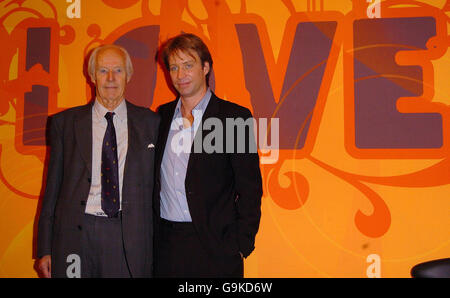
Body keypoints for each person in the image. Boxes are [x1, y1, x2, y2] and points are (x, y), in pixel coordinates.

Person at [36, 44, 160, 278]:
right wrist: (44, 248)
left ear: (129, 75)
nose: (111, 78)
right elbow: (51, 189)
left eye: (118, 71)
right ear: (92, 76)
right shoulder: (65, 124)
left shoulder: (151, 123)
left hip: (127, 238)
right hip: (74, 238)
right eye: (103, 71)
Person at [154, 33, 262, 278]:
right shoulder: (160, 117)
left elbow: (250, 187)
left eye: (188, 65)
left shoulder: (233, 117)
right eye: (174, 67)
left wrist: (240, 242)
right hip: (166, 246)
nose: (180, 75)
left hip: (216, 247)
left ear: (205, 67)